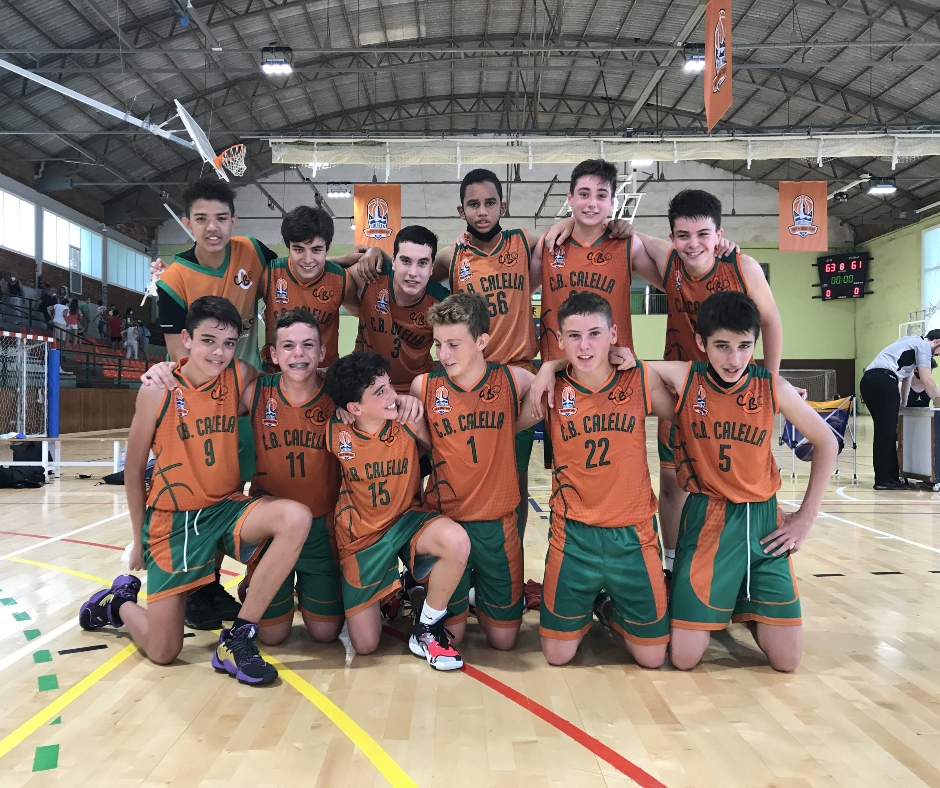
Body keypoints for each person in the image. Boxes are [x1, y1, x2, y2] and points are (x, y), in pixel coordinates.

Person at [547, 189, 782, 585]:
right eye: (684, 235)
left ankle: (746, 566)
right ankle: (672, 563)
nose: (694, 244)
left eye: (704, 235)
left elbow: (771, 322)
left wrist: (770, 386)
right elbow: (614, 230)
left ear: (719, 233)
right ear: (672, 237)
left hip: (734, 390)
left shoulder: (742, 268)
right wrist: (565, 223)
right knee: (672, 481)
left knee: (736, 480)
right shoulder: (666, 259)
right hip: (679, 385)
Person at [78, 296, 310, 684]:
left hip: (225, 508)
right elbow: (134, 470)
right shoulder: (158, 389)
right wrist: (137, 540)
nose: (219, 352)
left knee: (295, 517)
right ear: (185, 338)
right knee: (164, 651)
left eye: (229, 343)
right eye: (208, 341)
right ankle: (118, 605)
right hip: (174, 521)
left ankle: (238, 635)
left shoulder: (240, 376)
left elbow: (291, 380)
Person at [641, 291, 837, 672]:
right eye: (722, 346)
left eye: (744, 346)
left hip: (765, 525)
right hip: (708, 522)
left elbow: (827, 441)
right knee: (684, 659)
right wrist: (550, 368)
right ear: (701, 344)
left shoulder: (772, 387)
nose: (734, 359)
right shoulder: (688, 379)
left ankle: (739, 605)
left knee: (787, 662)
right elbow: (631, 367)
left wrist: (806, 516)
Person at [530, 292, 673, 667]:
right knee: (557, 656)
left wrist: (778, 394)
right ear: (559, 340)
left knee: (654, 658)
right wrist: (549, 367)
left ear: (613, 335)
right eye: (573, 336)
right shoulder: (551, 389)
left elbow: (686, 404)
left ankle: (607, 607)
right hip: (573, 535)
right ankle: (591, 601)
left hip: (634, 533)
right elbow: (504, 425)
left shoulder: (639, 378)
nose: (585, 345)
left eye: (595, 333)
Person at [324, 351, 471, 670]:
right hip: (361, 536)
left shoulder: (408, 419)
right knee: (365, 646)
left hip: (407, 521)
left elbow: (442, 451)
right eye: (380, 392)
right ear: (354, 408)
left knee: (456, 541)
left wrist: (413, 412)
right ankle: (399, 590)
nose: (392, 395)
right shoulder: (335, 429)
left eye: (389, 385)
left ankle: (428, 627)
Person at [411, 292, 537, 650]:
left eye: (453, 344)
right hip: (446, 524)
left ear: (482, 341)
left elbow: (551, 388)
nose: (443, 355)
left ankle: (473, 593)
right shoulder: (425, 387)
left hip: (498, 524)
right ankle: (427, 590)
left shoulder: (514, 381)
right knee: (454, 636)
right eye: (438, 344)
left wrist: (551, 368)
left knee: (504, 640)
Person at [349, 225, 449, 393]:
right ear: (393, 261)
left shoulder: (442, 303)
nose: (413, 272)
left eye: (422, 263)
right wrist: (346, 258)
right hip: (364, 385)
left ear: (432, 268)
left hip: (414, 390)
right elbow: (315, 267)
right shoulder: (370, 277)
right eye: (406, 261)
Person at [260, 206, 357, 369]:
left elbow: (362, 313)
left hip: (323, 376)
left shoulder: (341, 280)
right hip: (276, 375)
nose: (307, 259)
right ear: (288, 247)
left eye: (316, 250)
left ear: (327, 248)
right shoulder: (269, 275)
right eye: (298, 249)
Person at [860, 330, 940, 489]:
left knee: (887, 431)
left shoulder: (909, 341)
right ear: (937, 341)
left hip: (869, 382)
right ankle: (883, 480)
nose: (937, 356)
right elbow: (927, 379)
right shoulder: (924, 346)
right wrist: (938, 402)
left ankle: (891, 478)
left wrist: (903, 404)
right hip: (884, 381)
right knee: (885, 433)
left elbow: (907, 377)